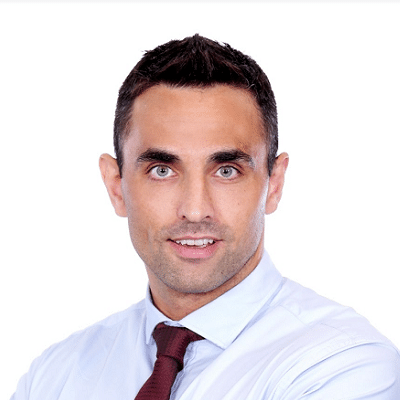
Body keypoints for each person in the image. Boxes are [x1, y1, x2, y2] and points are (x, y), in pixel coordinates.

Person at [11, 34, 400, 400]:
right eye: (162, 170)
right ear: (116, 187)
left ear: (274, 184)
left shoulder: (345, 366)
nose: (195, 210)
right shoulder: (55, 376)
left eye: (226, 170)